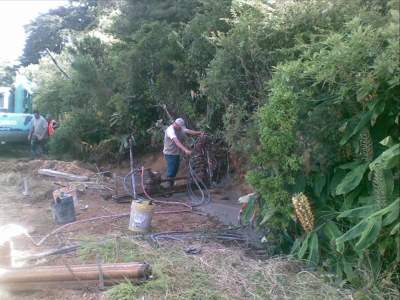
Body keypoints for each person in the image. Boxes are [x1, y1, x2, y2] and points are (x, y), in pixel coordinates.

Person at [163, 118, 203, 190]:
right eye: (180, 127)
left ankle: (171, 185)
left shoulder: (180, 128)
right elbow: (176, 142)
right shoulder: (170, 130)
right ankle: (168, 188)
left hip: (176, 153)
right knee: (171, 170)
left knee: (175, 169)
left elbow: (189, 131)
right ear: (176, 125)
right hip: (169, 153)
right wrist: (185, 150)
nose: (181, 128)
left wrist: (200, 133)